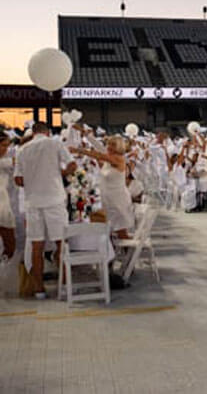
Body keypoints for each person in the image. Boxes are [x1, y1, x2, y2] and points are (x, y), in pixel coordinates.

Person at [14, 122, 77, 299]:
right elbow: (72, 165)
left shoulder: (22, 150)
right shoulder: (55, 143)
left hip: (33, 203)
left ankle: (39, 290)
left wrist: (34, 182)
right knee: (60, 244)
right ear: (47, 132)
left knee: (36, 247)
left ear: (33, 133)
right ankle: (64, 287)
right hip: (54, 200)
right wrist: (59, 175)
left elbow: (18, 180)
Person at [70, 137, 134, 238]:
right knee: (112, 228)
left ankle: (128, 252)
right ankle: (114, 251)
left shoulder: (118, 158)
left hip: (118, 199)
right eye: (109, 144)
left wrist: (79, 150)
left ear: (119, 147)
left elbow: (99, 155)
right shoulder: (108, 161)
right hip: (109, 199)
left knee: (121, 230)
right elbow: (99, 157)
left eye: (113, 145)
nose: (109, 147)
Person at [0, 132, 16, 260]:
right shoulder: (4, 162)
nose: (6, 149)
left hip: (4, 202)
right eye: (4, 145)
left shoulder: (4, 161)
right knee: (9, 244)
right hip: (2, 206)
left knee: (9, 245)